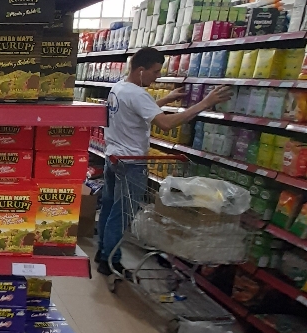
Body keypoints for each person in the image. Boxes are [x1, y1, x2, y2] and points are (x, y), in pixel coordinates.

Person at [96, 46, 232, 275]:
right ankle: (110, 262)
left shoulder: (119, 87)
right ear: (141, 70)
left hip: (114, 158)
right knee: (122, 214)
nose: (157, 77)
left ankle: (102, 252)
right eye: (155, 72)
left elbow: (137, 111)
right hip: (131, 163)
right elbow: (166, 124)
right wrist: (204, 103)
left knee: (109, 207)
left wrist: (166, 99)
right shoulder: (138, 94)